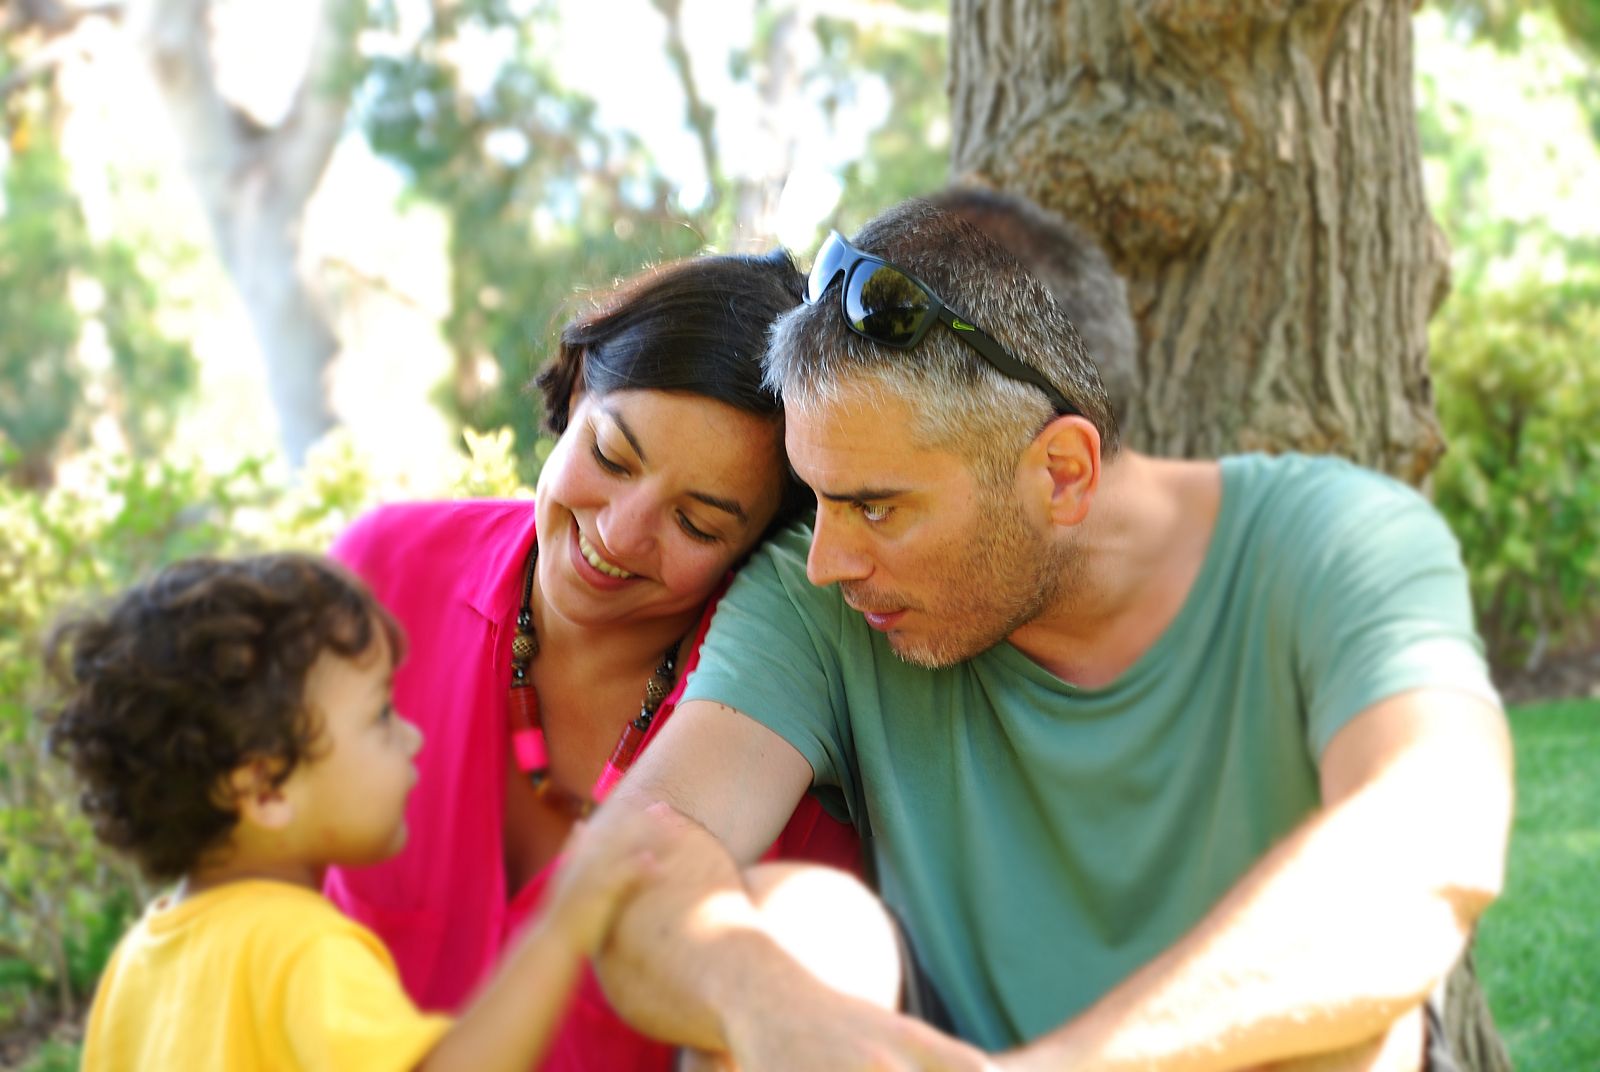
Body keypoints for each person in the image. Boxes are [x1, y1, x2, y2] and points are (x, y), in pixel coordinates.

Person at [593, 197, 1514, 1071]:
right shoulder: (819, 594)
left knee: (1340, 1008)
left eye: (876, 506)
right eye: (821, 495)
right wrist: (770, 1011)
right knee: (792, 931)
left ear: (1064, 473)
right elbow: (635, 869)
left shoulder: (1337, 543)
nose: (828, 557)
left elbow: (1432, 850)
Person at [322, 250, 860, 1071]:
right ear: (577, 392)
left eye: (699, 525)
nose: (617, 534)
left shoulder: (776, 749)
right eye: (611, 456)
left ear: (757, 550)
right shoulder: (380, 579)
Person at [45, 552, 681, 1072]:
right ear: (266, 790)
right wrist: (564, 925)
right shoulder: (299, 951)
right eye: (380, 716)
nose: (412, 737)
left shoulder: (139, 964)